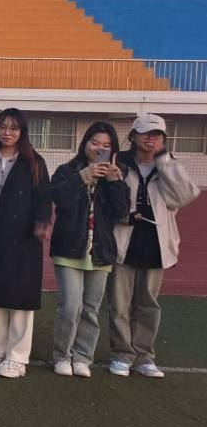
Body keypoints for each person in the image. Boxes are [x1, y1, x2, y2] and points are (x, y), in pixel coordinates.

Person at [108, 114, 200, 378]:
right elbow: (109, 200)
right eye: (146, 133)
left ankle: (144, 356)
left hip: (157, 243)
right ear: (133, 136)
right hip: (123, 240)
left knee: (148, 303)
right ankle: (121, 354)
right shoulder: (120, 162)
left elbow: (185, 196)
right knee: (119, 304)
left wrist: (164, 161)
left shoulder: (168, 166)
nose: (152, 138)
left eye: (157, 134)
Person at [0, 109, 52, 378]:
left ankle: (17, 356)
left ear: (22, 132)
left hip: (24, 239)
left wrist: (42, 222)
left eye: (14, 128)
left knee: (20, 298)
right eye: (2, 127)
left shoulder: (34, 162)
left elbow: (44, 198)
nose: (7, 133)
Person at [49, 122, 129, 378]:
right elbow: (58, 198)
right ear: (85, 143)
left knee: (90, 309)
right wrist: (83, 177)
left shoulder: (117, 174)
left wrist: (114, 182)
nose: (99, 149)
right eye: (95, 143)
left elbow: (122, 212)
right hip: (69, 247)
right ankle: (63, 355)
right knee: (70, 307)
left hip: (101, 250)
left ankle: (83, 357)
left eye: (106, 146)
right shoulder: (67, 170)